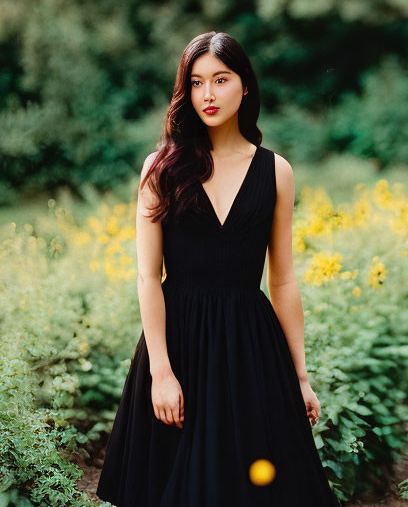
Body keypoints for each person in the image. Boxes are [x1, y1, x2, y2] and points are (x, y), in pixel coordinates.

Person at [95, 31, 342, 507]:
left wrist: (300, 375)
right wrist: (161, 374)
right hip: (179, 341)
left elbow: (284, 278)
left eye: (221, 80)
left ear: (244, 86)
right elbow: (147, 276)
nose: (208, 94)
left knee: (256, 488)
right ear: (184, 91)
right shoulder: (161, 169)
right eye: (196, 82)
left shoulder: (277, 171)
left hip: (251, 347)